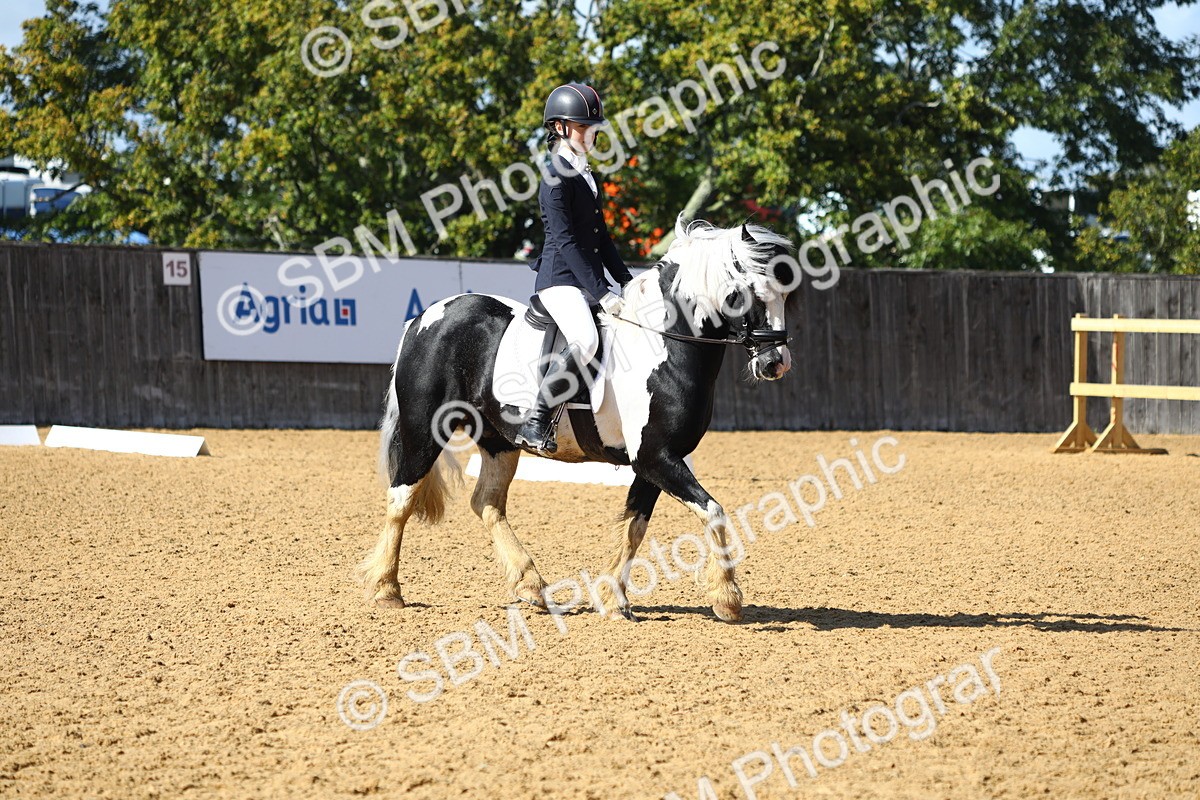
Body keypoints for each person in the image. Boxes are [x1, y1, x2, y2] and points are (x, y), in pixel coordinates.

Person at [515, 82, 634, 454]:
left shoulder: (586, 174)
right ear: (562, 128)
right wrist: (602, 292)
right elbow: (566, 243)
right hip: (559, 280)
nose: (592, 134)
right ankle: (535, 419)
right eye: (584, 127)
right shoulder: (554, 176)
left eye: (593, 128)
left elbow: (603, 240)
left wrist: (627, 283)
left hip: (585, 278)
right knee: (585, 340)